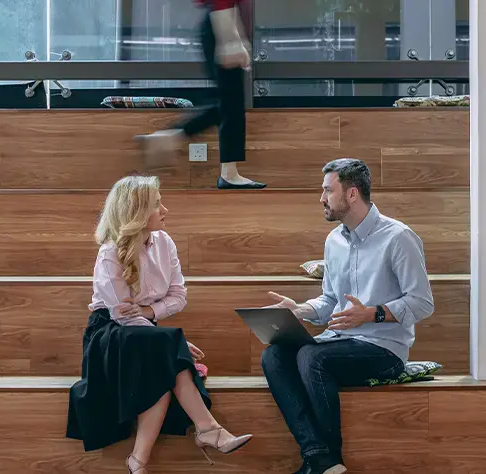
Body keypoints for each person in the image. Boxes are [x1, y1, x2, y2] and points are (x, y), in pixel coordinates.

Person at [66, 175, 252, 473]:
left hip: (143, 333)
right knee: (162, 354)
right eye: (156, 204)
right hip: (109, 336)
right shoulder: (110, 253)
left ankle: (140, 461)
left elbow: (179, 297)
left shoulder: (165, 243)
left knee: (159, 361)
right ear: (136, 212)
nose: (165, 209)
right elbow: (121, 315)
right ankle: (206, 430)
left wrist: (152, 316)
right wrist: (166, 340)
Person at [260, 158, 435, 474]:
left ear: (352, 194)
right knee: (274, 355)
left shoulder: (399, 238)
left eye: (328, 190)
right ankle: (319, 456)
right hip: (339, 342)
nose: (321, 198)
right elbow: (330, 301)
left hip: (383, 350)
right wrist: (299, 310)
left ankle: (328, 458)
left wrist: (371, 314)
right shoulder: (333, 241)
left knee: (312, 358)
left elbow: (422, 303)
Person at [136, 0, 266, 190]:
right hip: (221, 24)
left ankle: (172, 137)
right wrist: (230, 40)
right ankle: (173, 137)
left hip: (222, 23)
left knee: (229, 104)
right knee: (231, 104)